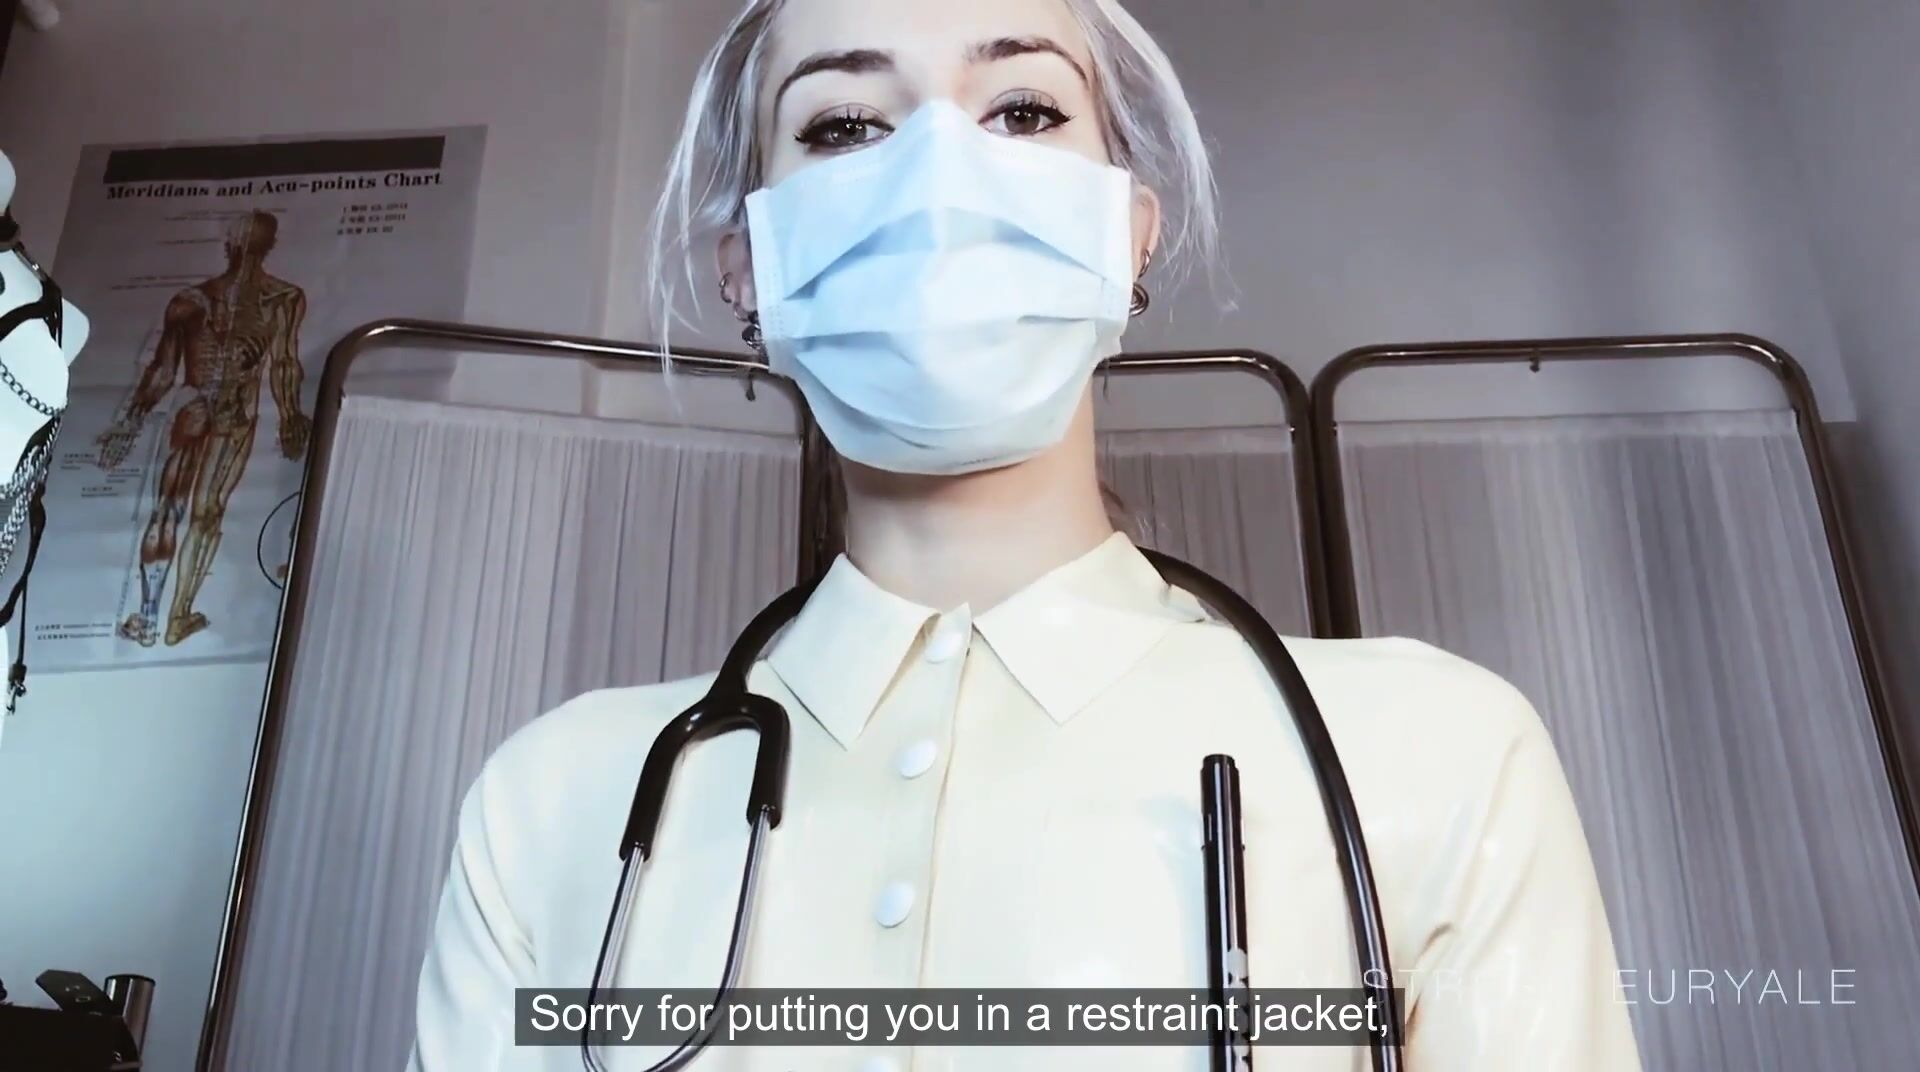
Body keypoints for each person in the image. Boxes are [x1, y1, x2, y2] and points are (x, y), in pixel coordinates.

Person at [409, 1, 1643, 1069]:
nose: (939, 177)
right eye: (843, 126)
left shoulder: (1438, 757)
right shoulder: (550, 803)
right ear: (748, 266)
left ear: (1130, 231)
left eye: (1024, 110)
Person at [96, 210, 310, 647]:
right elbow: (283, 364)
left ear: (228, 244)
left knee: (169, 509)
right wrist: (290, 415)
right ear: (271, 245)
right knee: (205, 511)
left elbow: (162, 372)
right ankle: (176, 617)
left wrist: (129, 422)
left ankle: (151, 617)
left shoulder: (193, 300)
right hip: (231, 416)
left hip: (193, 408)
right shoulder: (281, 298)